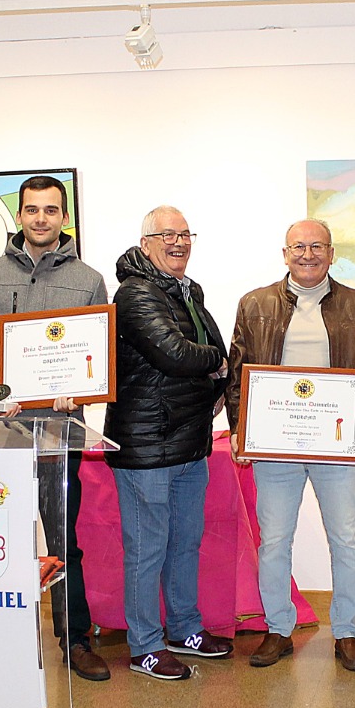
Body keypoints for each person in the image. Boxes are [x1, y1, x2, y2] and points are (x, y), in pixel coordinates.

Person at [0, 175, 112, 681]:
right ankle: (2, 638)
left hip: (58, 430)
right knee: (0, 536)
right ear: (18, 216)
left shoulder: (88, 279)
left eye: (51, 210)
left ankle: (75, 638)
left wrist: (81, 393)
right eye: (32, 210)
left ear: (63, 217)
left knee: (62, 537)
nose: (41, 218)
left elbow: (94, 357)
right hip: (2, 434)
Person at [225, 219, 355, 671]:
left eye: (317, 246)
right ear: (284, 253)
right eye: (298, 246)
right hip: (275, 445)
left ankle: (347, 632)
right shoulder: (254, 304)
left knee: (347, 537)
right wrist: (240, 426)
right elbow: (237, 372)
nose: (308, 254)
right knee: (275, 540)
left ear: (332, 253)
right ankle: (278, 627)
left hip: (335, 443)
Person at [103, 206, 232, 681]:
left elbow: (212, 351)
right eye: (166, 235)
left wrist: (217, 370)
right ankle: (145, 647)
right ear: (145, 242)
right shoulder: (135, 293)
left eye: (184, 234)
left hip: (188, 441)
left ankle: (184, 629)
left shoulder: (186, 291)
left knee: (184, 544)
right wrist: (217, 361)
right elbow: (176, 354)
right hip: (147, 446)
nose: (178, 242)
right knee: (146, 549)